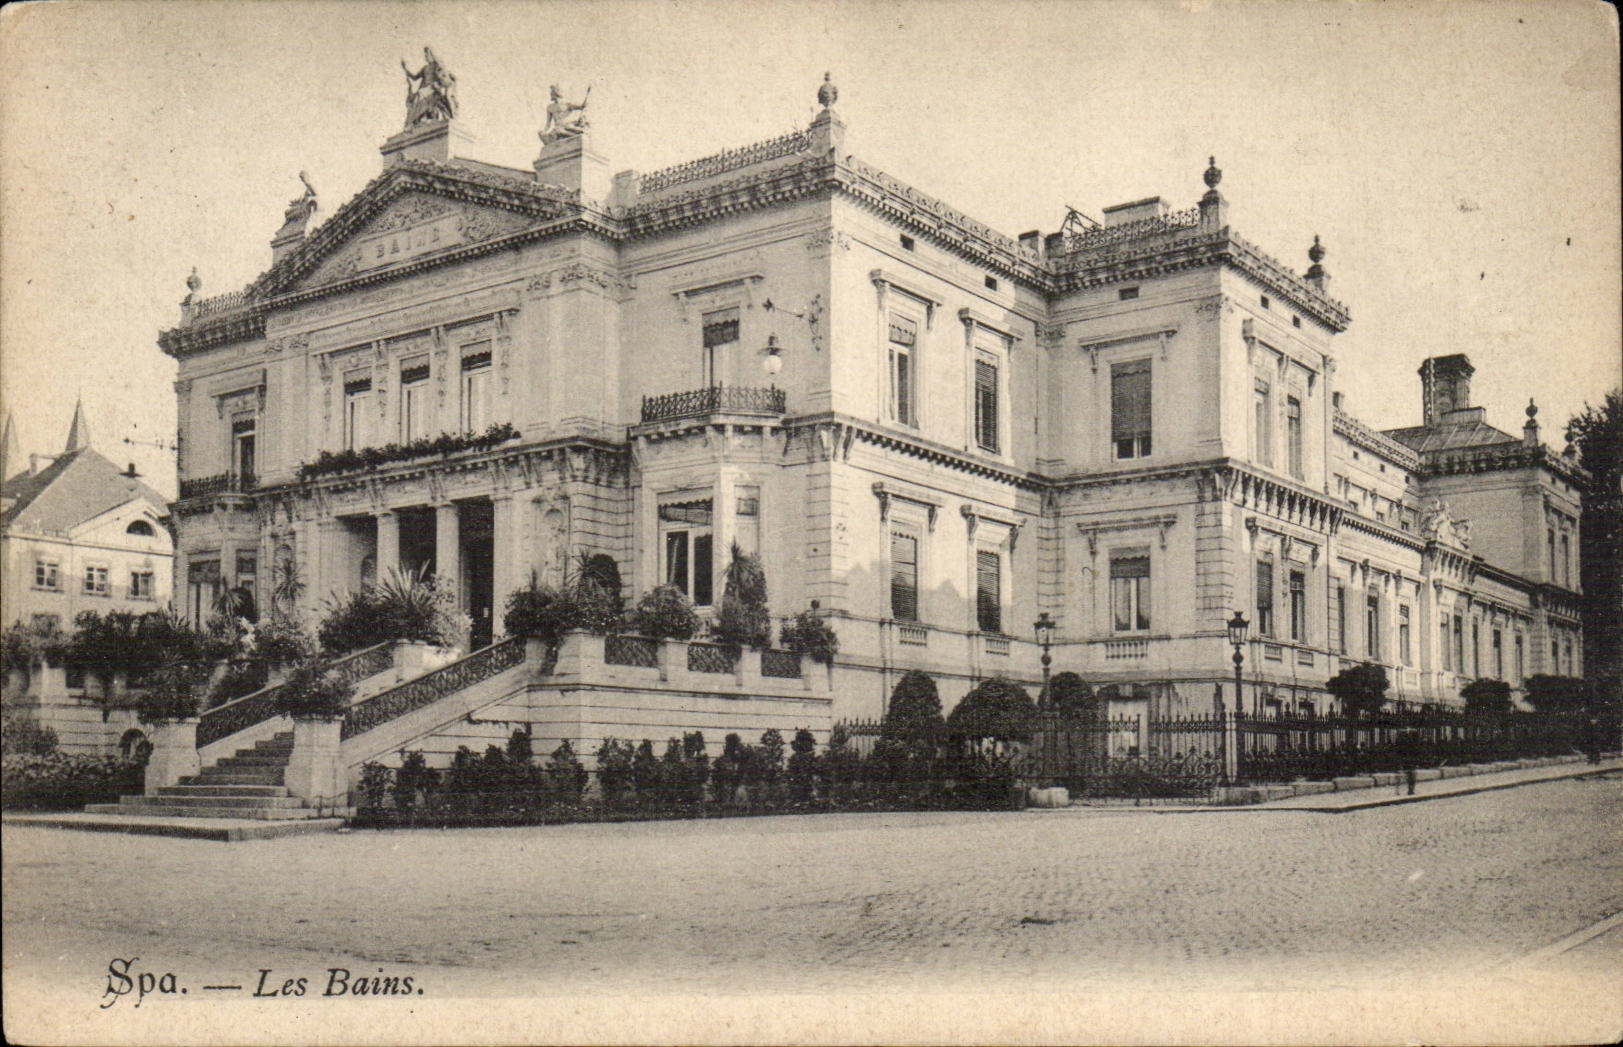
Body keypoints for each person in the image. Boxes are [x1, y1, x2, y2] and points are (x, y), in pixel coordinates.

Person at [401, 47, 456, 126]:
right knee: (416, 97)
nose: (425, 57)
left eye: (427, 55)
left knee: (420, 94)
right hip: (425, 88)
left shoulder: (436, 65)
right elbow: (414, 78)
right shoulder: (425, 68)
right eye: (425, 55)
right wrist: (405, 69)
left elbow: (443, 74)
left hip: (433, 88)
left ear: (431, 55)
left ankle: (451, 115)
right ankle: (414, 121)